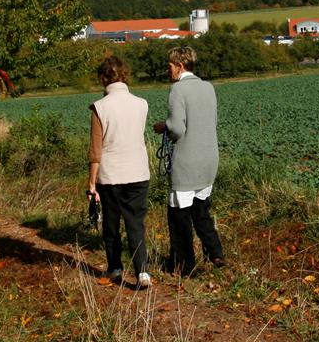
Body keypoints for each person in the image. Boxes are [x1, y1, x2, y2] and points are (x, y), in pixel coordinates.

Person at [153, 46, 224, 276]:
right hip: (209, 159)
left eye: (170, 66)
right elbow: (211, 122)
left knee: (179, 216)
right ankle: (215, 253)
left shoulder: (177, 90)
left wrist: (163, 126)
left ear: (180, 66)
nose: (169, 70)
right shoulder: (208, 87)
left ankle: (184, 266)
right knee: (201, 210)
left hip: (187, 162)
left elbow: (177, 129)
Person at [87, 56, 151, 288]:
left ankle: (115, 268)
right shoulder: (142, 103)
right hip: (139, 172)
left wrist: (91, 183)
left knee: (111, 224)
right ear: (125, 76)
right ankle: (143, 272)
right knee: (135, 223)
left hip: (111, 175)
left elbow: (96, 150)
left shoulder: (99, 107)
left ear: (103, 78)